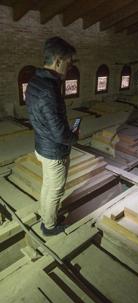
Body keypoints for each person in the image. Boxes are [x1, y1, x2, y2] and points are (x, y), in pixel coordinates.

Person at [25, 37, 79, 236]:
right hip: (54, 151)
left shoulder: (34, 81)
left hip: (41, 145)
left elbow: (37, 117)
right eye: (69, 62)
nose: (70, 66)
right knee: (56, 189)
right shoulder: (49, 90)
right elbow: (59, 133)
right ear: (58, 61)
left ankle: (44, 213)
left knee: (48, 184)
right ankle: (49, 226)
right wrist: (74, 137)